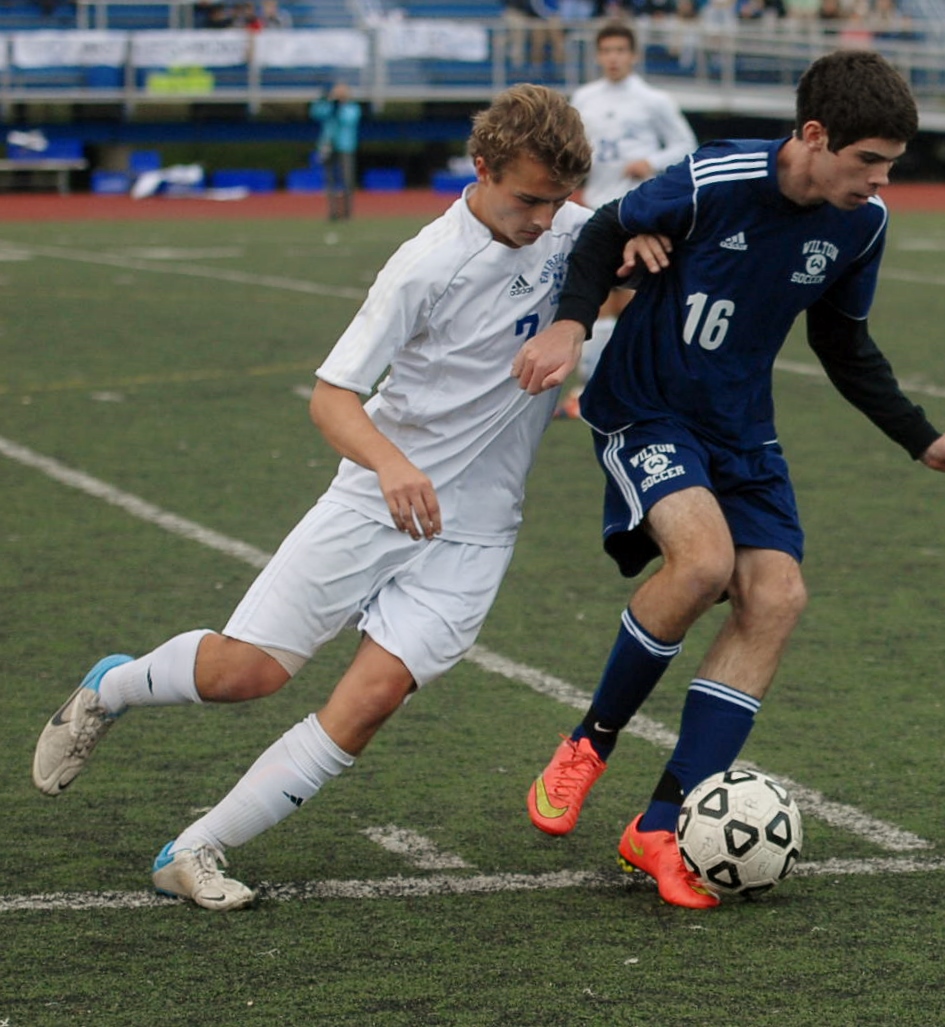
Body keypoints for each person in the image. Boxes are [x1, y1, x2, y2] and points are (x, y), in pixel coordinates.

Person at [31, 84, 603, 912]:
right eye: (529, 200)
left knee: (367, 702)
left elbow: (623, 264)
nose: (546, 219)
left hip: (477, 531)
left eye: (560, 200)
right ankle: (111, 686)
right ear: (481, 168)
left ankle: (192, 849)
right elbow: (332, 397)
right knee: (247, 673)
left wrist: (580, 321)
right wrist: (393, 465)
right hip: (377, 500)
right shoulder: (425, 265)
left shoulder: (577, 230)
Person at [512, 50, 945, 909]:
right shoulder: (714, 178)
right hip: (647, 408)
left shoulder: (863, 224)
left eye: (892, 164)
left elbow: (843, 345)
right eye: (868, 162)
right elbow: (601, 232)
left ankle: (660, 827)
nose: (882, 181)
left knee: (776, 596)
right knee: (700, 563)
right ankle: (589, 741)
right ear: (814, 137)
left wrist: (923, 441)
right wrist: (569, 327)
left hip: (741, 432)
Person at [559, 21, 697, 418]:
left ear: (633, 55)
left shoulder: (653, 100)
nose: (613, 58)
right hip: (595, 209)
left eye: (621, 50)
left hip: (641, 212)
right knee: (598, 299)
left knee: (636, 300)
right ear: (598, 56)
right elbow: (571, 146)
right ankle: (590, 387)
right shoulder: (584, 98)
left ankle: (638, 385)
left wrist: (650, 161)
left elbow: (686, 146)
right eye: (607, 51)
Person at [310, 83, 361, 221]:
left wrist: (340, 106)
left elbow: (348, 120)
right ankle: (332, 211)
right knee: (329, 180)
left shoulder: (352, 107)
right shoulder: (329, 106)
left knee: (347, 179)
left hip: (346, 146)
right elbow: (316, 113)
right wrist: (325, 101)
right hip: (329, 145)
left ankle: (347, 212)